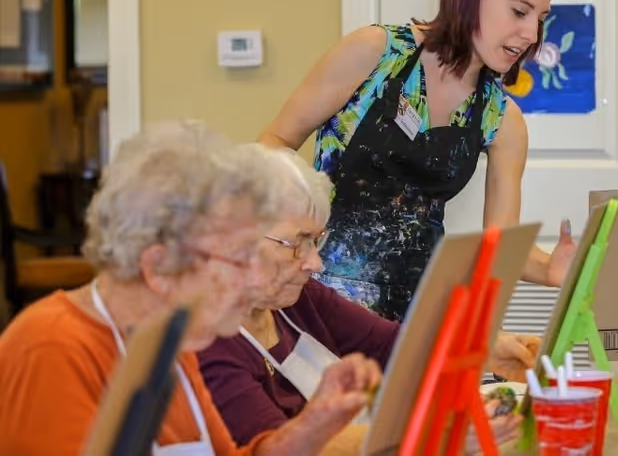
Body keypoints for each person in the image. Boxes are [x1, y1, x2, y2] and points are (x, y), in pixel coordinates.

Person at [0, 122, 379, 455]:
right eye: (233, 261)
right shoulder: (51, 347)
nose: (247, 279)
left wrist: (314, 426)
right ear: (158, 267)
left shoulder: (169, 340)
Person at [258, 0, 576, 322]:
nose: (531, 34)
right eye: (519, 12)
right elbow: (275, 141)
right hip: (321, 301)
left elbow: (502, 246)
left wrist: (550, 270)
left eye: (541, 19)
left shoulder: (502, 119)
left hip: (419, 314)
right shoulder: (376, 53)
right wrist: (288, 232)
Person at [198, 145, 532, 449]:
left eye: (316, 241)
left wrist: (483, 346)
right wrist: (426, 432)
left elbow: (390, 346)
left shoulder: (298, 299)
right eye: (297, 242)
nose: (315, 263)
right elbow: (282, 448)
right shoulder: (206, 344)